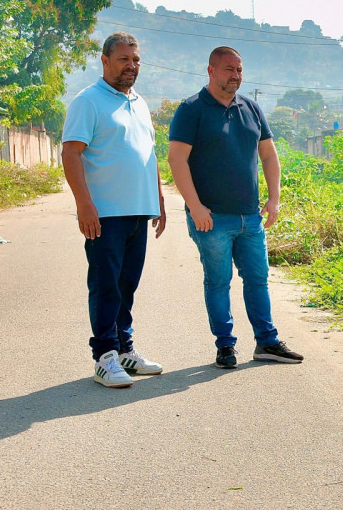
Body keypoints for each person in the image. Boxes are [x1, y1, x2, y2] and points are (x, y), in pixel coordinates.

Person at [167, 47, 303, 369]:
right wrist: (196, 207)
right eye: (229, 69)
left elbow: (269, 155)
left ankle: (267, 342)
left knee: (258, 279)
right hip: (211, 219)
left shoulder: (251, 108)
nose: (236, 76)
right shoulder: (191, 109)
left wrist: (274, 198)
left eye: (239, 70)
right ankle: (225, 346)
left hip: (250, 216)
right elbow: (177, 160)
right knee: (218, 282)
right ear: (211, 71)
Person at [62, 32, 166, 388]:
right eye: (124, 59)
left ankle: (124, 350)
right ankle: (104, 356)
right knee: (106, 286)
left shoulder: (139, 102)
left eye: (135, 60)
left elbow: (148, 156)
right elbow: (71, 153)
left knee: (127, 285)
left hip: (139, 211)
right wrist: (84, 204)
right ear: (104, 61)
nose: (131, 66)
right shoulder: (88, 101)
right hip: (105, 213)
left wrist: (159, 201)